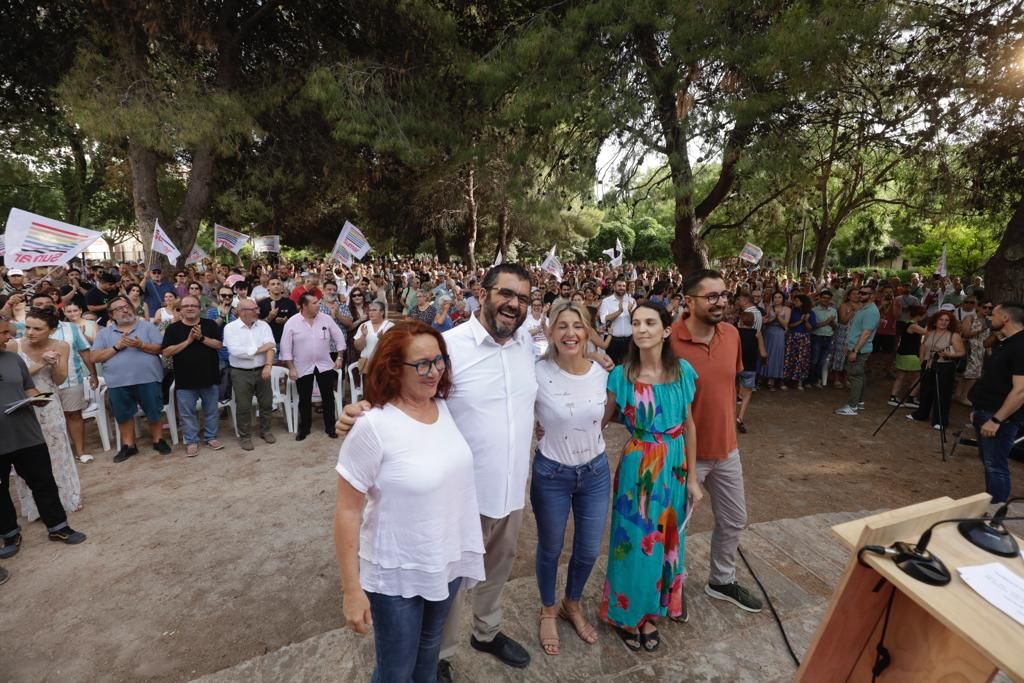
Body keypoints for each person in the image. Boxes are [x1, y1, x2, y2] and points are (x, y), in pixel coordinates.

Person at [333, 321, 485, 683]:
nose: (433, 372)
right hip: (396, 573)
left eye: (439, 361)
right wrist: (351, 591)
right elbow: (347, 510)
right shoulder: (372, 427)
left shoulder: (444, 408)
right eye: (422, 364)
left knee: (428, 656)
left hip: (443, 563)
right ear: (393, 368)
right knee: (396, 670)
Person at [600, 302, 700, 652]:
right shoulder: (621, 376)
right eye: (637, 323)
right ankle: (628, 614)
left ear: (666, 330)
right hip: (638, 467)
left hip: (675, 467)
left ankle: (653, 612)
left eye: (650, 323)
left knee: (667, 539)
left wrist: (693, 479)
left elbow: (688, 425)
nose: (641, 329)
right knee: (634, 542)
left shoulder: (684, 372)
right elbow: (600, 419)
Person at [671, 269, 763, 613]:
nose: (720, 302)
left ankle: (721, 580)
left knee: (735, 518)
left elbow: (726, 385)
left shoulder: (732, 335)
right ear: (689, 301)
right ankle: (670, 585)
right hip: (682, 454)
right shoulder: (669, 340)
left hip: (726, 450)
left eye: (723, 295)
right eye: (711, 296)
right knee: (675, 526)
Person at [531, 302, 610, 656]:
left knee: (589, 549)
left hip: (595, 471)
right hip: (552, 474)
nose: (570, 333)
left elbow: (604, 413)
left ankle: (571, 604)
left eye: (577, 326)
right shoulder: (535, 372)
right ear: (550, 333)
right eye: (561, 326)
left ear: (588, 330)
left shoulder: (603, 371)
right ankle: (548, 609)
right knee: (551, 547)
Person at [0, 319, 87, 560]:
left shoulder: (13, 359)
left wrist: (39, 398)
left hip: (27, 432)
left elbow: (28, 387)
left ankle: (58, 527)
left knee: (43, 482)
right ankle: (9, 534)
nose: (9, 337)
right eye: (3, 333)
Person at [9, 307, 81, 517]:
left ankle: (66, 497)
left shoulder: (61, 345)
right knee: (28, 456)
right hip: (22, 404)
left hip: (49, 403)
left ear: (51, 330)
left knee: (57, 451)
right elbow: (15, 378)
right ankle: (35, 506)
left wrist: (56, 363)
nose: (30, 332)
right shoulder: (14, 345)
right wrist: (41, 363)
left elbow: (59, 380)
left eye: (37, 329)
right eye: (28, 327)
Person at [91, 296, 171, 461]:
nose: (125, 310)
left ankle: (158, 439)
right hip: (118, 381)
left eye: (126, 306)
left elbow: (160, 348)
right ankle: (129, 445)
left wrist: (141, 345)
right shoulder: (104, 333)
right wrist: (116, 347)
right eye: (119, 309)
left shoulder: (148, 327)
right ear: (112, 315)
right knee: (123, 414)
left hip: (148, 378)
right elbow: (95, 357)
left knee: (154, 411)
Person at [31, 295, 96, 464]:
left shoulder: (71, 328)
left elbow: (85, 352)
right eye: (39, 304)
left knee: (74, 415)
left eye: (48, 303)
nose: (44, 306)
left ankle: (80, 452)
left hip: (71, 380)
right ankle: (55, 456)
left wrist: (93, 374)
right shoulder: (26, 329)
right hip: (39, 384)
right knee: (46, 419)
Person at [969, 302, 1024, 503]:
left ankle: (995, 515)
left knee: (996, 466)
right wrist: (978, 409)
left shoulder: (1020, 346)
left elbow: (1020, 391)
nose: (989, 318)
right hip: (986, 412)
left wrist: (996, 420)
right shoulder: (1006, 342)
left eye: (993, 315)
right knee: (989, 462)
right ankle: (991, 505)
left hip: (1001, 418)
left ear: (1006, 318)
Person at [161, 296, 225, 457]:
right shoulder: (173, 329)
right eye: (186, 306)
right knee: (187, 413)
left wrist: (201, 338)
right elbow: (166, 351)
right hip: (185, 379)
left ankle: (211, 437)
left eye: (193, 305)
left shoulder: (209, 325)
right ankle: (191, 441)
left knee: (211, 410)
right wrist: (189, 341)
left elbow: (218, 345)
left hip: (209, 376)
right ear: (180, 310)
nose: (190, 308)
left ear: (199, 308)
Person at [280, 292, 346, 441]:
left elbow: (339, 338)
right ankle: (304, 428)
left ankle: (330, 427)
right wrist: (291, 368)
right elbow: (285, 348)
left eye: (318, 302)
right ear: (304, 306)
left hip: (325, 364)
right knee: (304, 398)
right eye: (315, 303)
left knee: (328, 397)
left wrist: (340, 357)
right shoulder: (292, 322)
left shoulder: (326, 319)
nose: (318, 305)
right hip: (302, 366)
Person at [223, 299, 278, 450]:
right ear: (243, 312)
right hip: (240, 372)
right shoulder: (230, 328)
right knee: (243, 406)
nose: (258, 311)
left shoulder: (264, 325)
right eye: (254, 309)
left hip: (262, 369)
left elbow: (271, 347)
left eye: (257, 308)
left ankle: (265, 430)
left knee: (266, 403)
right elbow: (236, 352)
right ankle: (245, 436)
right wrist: (260, 349)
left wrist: (268, 365)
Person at [908, 310, 965, 431]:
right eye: (941, 319)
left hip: (945, 366)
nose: (943, 322)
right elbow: (924, 346)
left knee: (942, 393)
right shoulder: (929, 332)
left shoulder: (953, 335)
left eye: (946, 320)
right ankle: (921, 414)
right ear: (935, 321)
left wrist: (949, 354)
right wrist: (922, 360)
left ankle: (940, 420)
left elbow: (961, 352)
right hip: (928, 364)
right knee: (925, 390)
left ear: (950, 323)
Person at [834, 284, 880, 416]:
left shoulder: (871, 311)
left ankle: (852, 406)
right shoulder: (862, 308)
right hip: (855, 346)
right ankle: (858, 403)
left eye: (865, 293)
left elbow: (866, 333)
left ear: (872, 296)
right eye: (860, 292)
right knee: (859, 375)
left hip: (860, 349)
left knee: (855, 376)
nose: (861, 295)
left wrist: (855, 350)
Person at [889, 305, 927, 408]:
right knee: (919, 377)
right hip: (910, 354)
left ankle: (893, 396)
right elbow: (927, 333)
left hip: (902, 353)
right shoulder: (913, 325)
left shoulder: (906, 323)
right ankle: (911, 397)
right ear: (920, 315)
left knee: (901, 376)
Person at [736, 310, 767, 433]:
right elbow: (763, 353)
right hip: (750, 367)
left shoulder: (735, 333)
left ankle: (730, 416)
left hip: (735, 366)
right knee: (747, 393)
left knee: (732, 392)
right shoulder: (757, 334)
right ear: (753, 322)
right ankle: (740, 417)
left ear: (740, 321)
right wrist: (765, 360)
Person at [598, 277, 636, 364]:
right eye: (619, 285)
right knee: (612, 367)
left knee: (629, 367)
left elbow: (636, 321)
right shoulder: (606, 301)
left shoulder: (631, 301)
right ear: (614, 287)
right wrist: (619, 311)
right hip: (612, 341)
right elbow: (603, 319)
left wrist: (630, 312)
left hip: (629, 341)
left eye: (623, 286)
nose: (621, 288)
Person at [783, 293, 815, 389]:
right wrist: (800, 321)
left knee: (802, 359)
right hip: (792, 336)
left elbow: (810, 328)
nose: (794, 302)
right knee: (789, 358)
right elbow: (789, 325)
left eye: (797, 301)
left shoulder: (811, 313)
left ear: (803, 302)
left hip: (804, 338)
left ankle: (799, 382)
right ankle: (786, 380)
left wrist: (806, 321)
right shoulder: (793, 312)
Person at [830, 288, 860, 389]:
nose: (856, 296)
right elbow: (843, 320)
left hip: (855, 333)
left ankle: (846, 379)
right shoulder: (843, 305)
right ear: (848, 296)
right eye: (854, 294)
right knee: (840, 355)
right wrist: (852, 311)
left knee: (850, 357)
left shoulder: (862, 306)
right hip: (843, 332)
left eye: (858, 294)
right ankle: (837, 379)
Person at [353, 302, 393, 373]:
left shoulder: (390, 326)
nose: (371, 313)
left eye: (374, 310)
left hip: (383, 364)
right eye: (370, 310)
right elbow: (358, 347)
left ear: (382, 312)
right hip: (366, 365)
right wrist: (363, 336)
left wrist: (383, 340)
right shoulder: (364, 325)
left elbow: (394, 348)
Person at [759, 292, 788, 390]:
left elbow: (785, 324)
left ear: (783, 299)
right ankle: (765, 377)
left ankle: (773, 379)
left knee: (777, 355)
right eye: (775, 297)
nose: (777, 299)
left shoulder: (787, 309)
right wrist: (772, 319)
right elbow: (765, 321)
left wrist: (778, 317)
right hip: (768, 333)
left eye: (779, 297)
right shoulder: (769, 308)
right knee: (767, 354)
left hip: (779, 334)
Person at [258, 277, 299, 346]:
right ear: (268, 287)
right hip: (267, 341)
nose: (276, 286)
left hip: (287, 340)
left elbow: (296, 322)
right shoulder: (262, 303)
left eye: (278, 284)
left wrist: (286, 321)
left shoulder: (290, 303)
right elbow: (257, 324)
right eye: (273, 284)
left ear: (282, 287)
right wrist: (269, 318)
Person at [809, 290, 837, 388]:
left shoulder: (833, 310)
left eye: (828, 298)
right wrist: (827, 321)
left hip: (828, 338)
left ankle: (817, 380)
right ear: (819, 298)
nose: (826, 300)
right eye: (824, 297)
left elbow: (835, 326)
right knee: (814, 360)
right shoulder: (814, 310)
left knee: (822, 362)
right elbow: (813, 326)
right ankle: (809, 380)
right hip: (816, 337)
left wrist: (832, 323)